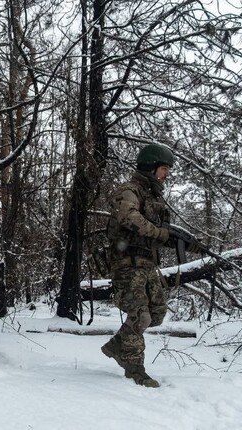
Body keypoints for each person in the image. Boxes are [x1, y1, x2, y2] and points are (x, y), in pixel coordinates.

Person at [101, 143, 194, 387]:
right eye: (164, 169)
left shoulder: (154, 198)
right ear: (150, 167)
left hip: (147, 264)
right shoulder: (129, 191)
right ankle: (134, 368)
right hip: (127, 263)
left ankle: (117, 345)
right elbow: (130, 218)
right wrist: (162, 234)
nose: (168, 175)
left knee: (157, 313)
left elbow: (154, 233)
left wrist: (179, 241)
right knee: (140, 314)